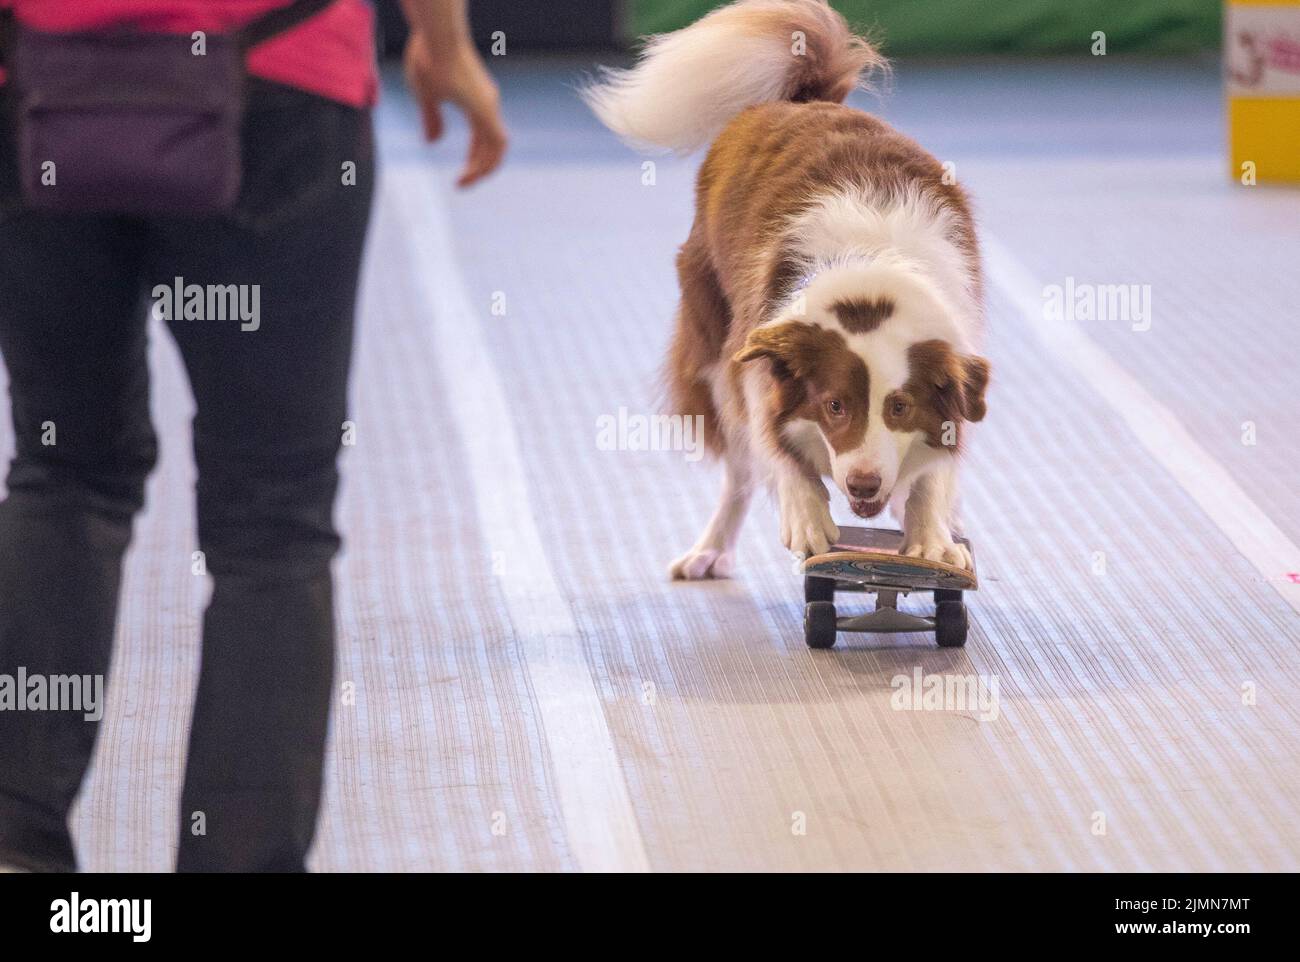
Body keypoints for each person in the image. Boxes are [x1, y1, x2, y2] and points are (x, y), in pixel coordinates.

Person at [0, 0, 505, 872]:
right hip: (280, 73)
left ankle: (14, 841)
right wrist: (445, 40)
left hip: (38, 79)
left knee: (63, 471)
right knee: (273, 521)